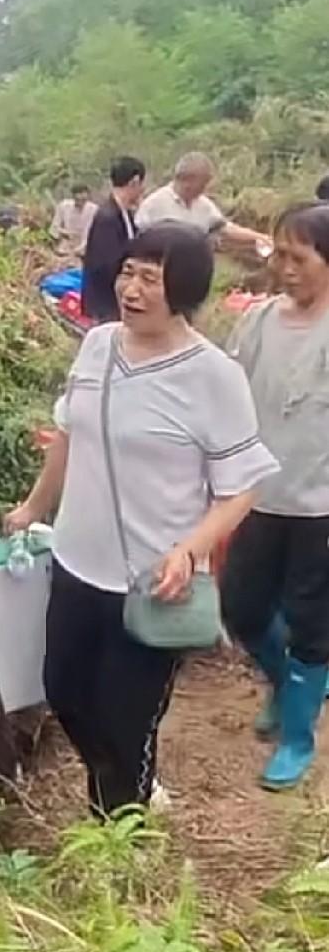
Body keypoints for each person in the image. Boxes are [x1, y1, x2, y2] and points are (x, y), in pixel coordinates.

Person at [6, 224, 277, 816]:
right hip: (77, 562)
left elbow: (243, 486)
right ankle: (126, 783)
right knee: (63, 690)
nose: (131, 289)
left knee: (125, 724)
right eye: (128, 272)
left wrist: (190, 550)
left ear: (184, 289)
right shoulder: (98, 344)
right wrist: (33, 507)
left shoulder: (213, 376)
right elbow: (68, 433)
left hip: (155, 581)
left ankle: (118, 828)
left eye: (150, 278)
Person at [221, 203, 329, 791]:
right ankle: (286, 685)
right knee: (242, 608)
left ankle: (296, 736)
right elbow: (225, 393)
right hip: (257, 497)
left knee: (312, 622)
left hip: (319, 508)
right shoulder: (260, 321)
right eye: (279, 255)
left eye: (299, 258)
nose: (284, 268)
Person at [136, 152, 264, 252]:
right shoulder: (154, 205)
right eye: (204, 182)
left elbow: (225, 229)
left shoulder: (204, 205)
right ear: (188, 180)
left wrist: (259, 237)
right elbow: (138, 240)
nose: (206, 187)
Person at [81, 157, 147, 323]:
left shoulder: (125, 214)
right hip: (107, 301)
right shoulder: (108, 217)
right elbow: (106, 264)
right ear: (134, 182)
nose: (143, 190)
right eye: (141, 184)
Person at [51, 185, 98, 254]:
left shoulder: (94, 210)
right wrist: (65, 233)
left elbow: (96, 232)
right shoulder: (64, 206)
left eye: (83, 200)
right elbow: (54, 228)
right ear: (73, 197)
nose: (81, 202)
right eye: (78, 199)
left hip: (86, 249)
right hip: (65, 248)